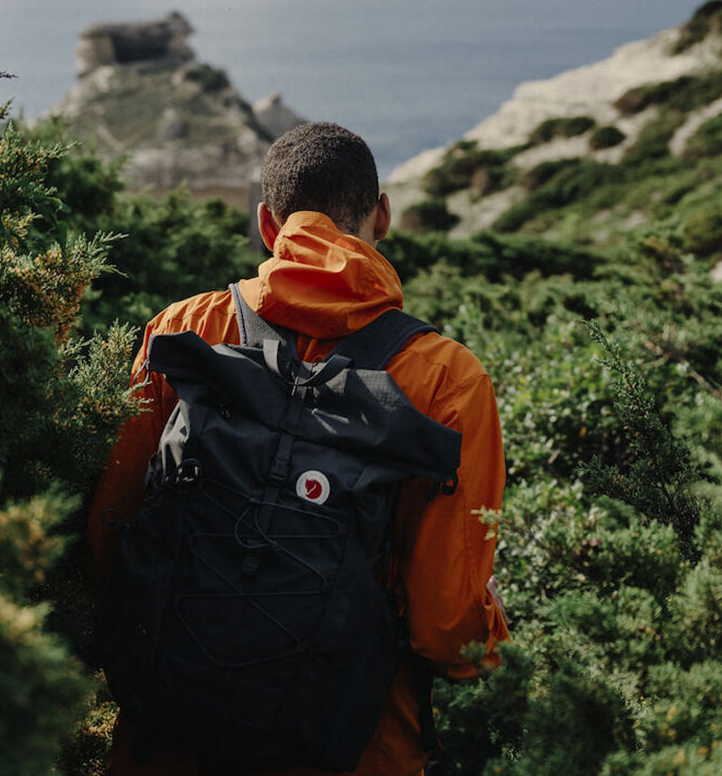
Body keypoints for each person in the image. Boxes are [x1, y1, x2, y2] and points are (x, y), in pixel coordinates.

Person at [86, 121, 509, 776]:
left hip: (164, 728)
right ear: (383, 216)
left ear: (266, 224)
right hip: (347, 742)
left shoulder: (186, 330)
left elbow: (111, 524)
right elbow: (444, 624)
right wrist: (493, 642)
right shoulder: (446, 378)